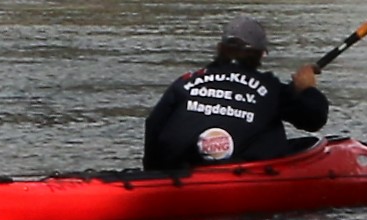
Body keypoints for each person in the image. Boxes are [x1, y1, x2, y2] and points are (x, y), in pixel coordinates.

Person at [142, 15, 331, 172]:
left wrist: (152, 175)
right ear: (260, 55)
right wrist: (306, 88)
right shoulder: (271, 89)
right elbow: (314, 119)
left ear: (220, 49)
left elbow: (153, 126)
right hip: (238, 177)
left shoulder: (185, 82)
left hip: (180, 173)